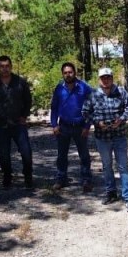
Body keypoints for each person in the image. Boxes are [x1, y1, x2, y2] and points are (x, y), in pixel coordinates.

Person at [82, 67, 128, 213]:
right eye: (103, 78)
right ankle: (111, 192)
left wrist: (121, 119)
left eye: (108, 77)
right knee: (107, 166)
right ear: (99, 79)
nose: (106, 80)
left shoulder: (121, 92)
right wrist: (97, 122)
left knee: (123, 167)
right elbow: (85, 112)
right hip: (102, 137)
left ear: (112, 78)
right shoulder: (93, 95)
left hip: (119, 136)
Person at [0, 55, 34, 189]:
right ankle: (7, 177)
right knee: (4, 155)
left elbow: (28, 100)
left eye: (7, 66)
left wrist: (24, 116)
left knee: (26, 152)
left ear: (11, 66)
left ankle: (28, 177)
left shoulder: (20, 82)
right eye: (2, 66)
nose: (5, 69)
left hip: (18, 124)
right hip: (0, 125)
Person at [49, 62, 93, 191]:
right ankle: (61, 179)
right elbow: (54, 107)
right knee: (61, 155)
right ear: (62, 74)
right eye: (65, 73)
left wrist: (87, 126)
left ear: (75, 73)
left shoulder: (84, 87)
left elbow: (92, 107)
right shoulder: (59, 88)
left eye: (70, 72)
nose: (68, 75)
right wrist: (54, 124)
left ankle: (86, 180)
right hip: (63, 127)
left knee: (84, 155)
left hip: (80, 126)